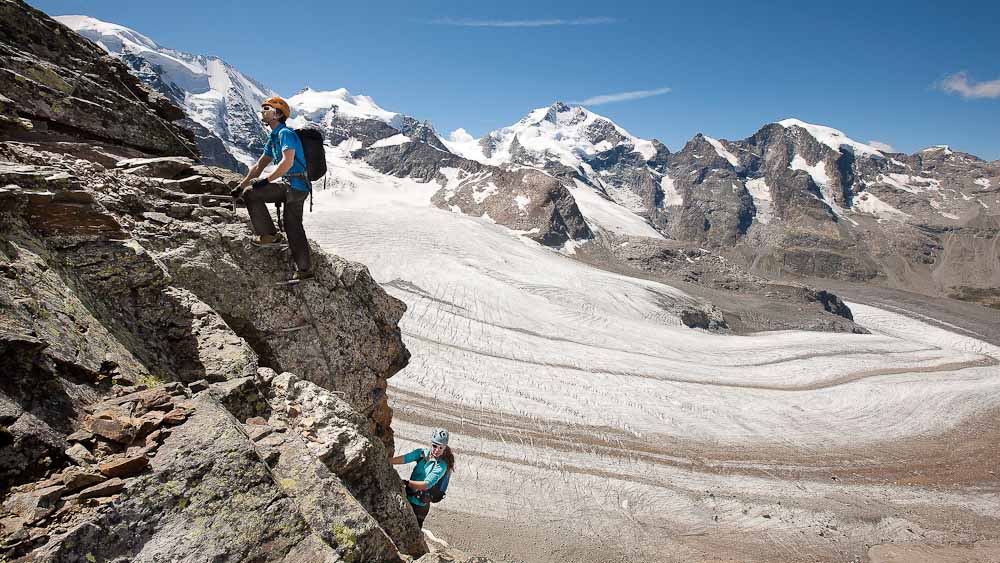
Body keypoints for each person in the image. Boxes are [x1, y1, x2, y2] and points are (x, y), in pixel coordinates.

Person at [233, 96, 313, 282]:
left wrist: (266, 181)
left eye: (266, 108)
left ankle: (270, 236)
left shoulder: (285, 133)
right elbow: (259, 166)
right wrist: (240, 185)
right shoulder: (273, 137)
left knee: (254, 195)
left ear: (277, 113)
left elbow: (288, 161)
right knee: (293, 227)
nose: (263, 111)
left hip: (294, 186)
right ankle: (304, 269)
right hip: (295, 187)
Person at [390, 428, 454, 528]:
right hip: (409, 495)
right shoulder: (422, 453)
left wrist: (407, 483)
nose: (437, 450)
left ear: (445, 448)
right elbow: (405, 458)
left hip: (420, 506)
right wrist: (388, 461)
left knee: (411, 533)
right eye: (435, 446)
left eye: (441, 448)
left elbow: (426, 484)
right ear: (431, 443)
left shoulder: (441, 466)